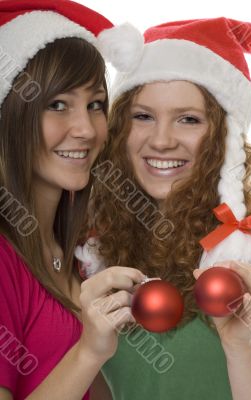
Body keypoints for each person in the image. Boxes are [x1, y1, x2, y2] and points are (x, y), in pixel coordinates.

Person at [77, 18, 251, 400]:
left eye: (189, 119)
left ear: (224, 136)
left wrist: (242, 346)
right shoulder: (90, 252)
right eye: (143, 116)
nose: (161, 140)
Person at [0, 1, 145, 399]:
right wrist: (88, 352)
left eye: (95, 104)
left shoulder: (82, 255)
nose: (85, 129)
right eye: (57, 105)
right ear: (9, 115)